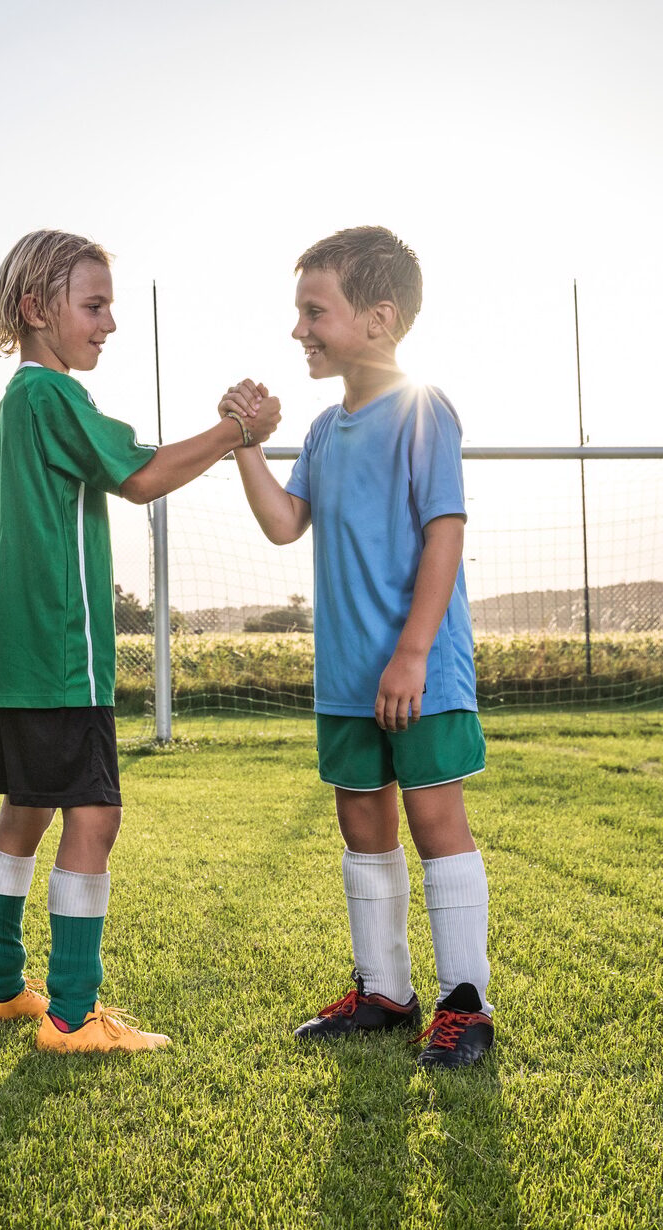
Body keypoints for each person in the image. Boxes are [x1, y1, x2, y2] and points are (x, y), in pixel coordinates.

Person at [0, 229, 280, 1054]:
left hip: (11, 659)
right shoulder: (52, 396)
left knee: (26, 809)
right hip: (62, 657)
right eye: (93, 305)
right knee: (94, 814)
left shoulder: (19, 401)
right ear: (38, 310)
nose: (107, 323)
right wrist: (234, 430)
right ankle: (73, 1015)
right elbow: (139, 476)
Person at [221, 226, 492, 1069]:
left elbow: (443, 533)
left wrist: (412, 652)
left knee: (434, 818)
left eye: (314, 311)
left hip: (419, 673)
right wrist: (243, 441)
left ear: (377, 318)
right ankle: (384, 991)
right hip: (345, 678)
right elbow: (281, 524)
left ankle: (464, 1004)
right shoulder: (320, 429)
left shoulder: (422, 409)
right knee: (360, 822)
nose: (300, 330)